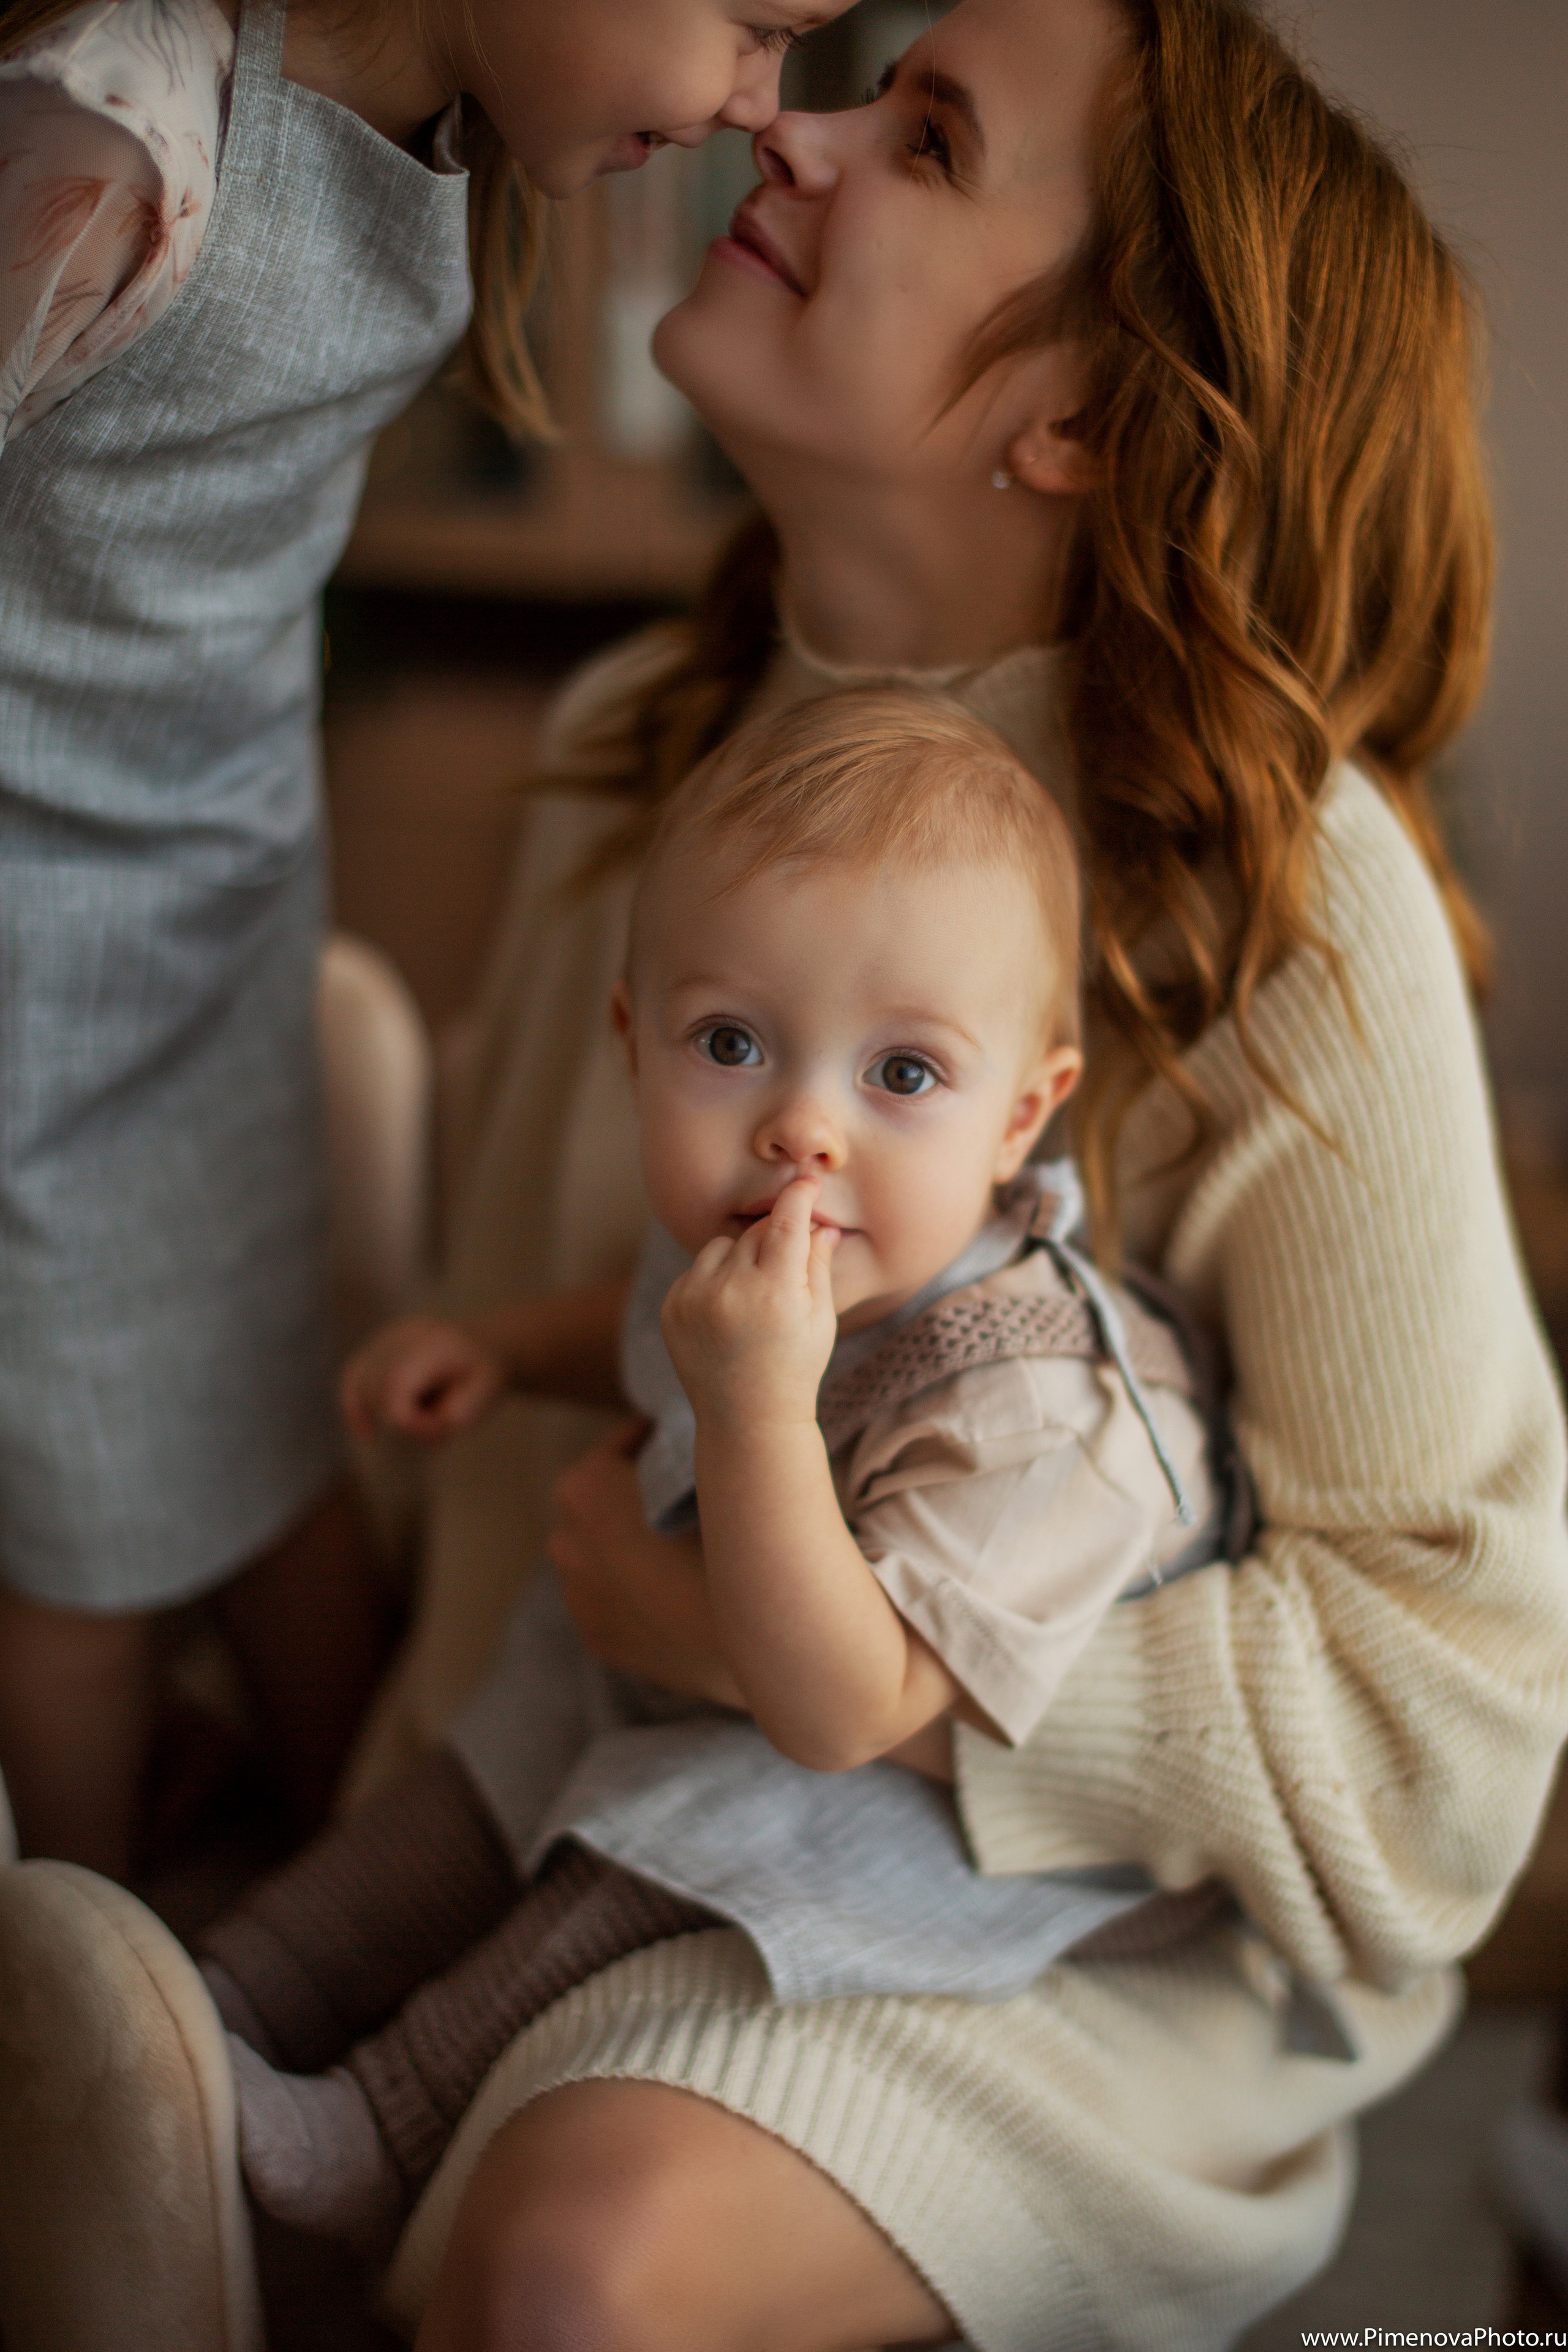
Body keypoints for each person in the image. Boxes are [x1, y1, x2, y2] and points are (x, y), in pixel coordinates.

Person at [1, 0, 1566, 2345]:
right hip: (585, 1789)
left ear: (1084, 416)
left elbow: (1451, 1739)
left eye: (925, 133)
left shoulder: (1274, 887)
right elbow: (554, 1417)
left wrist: (871, 1659)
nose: (790, 122)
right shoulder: (646, 748)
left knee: (574, 2248)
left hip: (1037, 1932)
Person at [190, 686, 1227, 2265]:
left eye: (903, 1074)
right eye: (733, 1044)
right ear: (636, 1042)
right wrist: (500, 1352)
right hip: (735, 1665)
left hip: (950, 1804)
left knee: (670, 1828)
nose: (800, 1129)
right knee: (518, 1722)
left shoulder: (1039, 1414)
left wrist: (753, 1410)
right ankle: (223, 1997)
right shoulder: (754, 1245)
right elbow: (626, 1319)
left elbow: (839, 1713)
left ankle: (372, 2134)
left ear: (1022, 1116)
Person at [0, 0, 851, 1879]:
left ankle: (326, 1875)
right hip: (36, 932)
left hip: (219, 876)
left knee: (259, 1377)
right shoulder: (123, 140)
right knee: (76, 1520)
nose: (757, 106)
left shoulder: (452, 127)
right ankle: (81, 1998)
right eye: (753, 26)